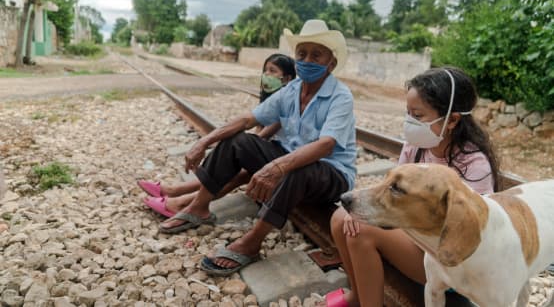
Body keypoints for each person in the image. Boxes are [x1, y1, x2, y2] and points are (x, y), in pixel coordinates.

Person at [158, 19, 357, 276]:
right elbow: (247, 120)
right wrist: (204, 142)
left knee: (297, 168)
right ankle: (199, 206)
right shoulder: (292, 89)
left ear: (331, 63)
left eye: (316, 54)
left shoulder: (341, 96)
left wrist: (276, 166)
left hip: (332, 173)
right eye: (301, 54)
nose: (307, 60)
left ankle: (251, 243)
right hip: (292, 159)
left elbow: (326, 145)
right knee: (237, 141)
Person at [322, 67, 500, 307]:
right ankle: (357, 295)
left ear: (452, 120)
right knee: (340, 218)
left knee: (361, 232)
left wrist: (372, 217)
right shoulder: (417, 147)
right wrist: (364, 208)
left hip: (449, 261)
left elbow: (467, 236)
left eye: (418, 115)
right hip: (417, 239)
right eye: (408, 113)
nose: (409, 122)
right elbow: (393, 191)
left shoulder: (473, 165)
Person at [138, 53, 296, 217]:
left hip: (284, 162)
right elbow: (255, 130)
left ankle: (182, 198)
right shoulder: (273, 99)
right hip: (273, 155)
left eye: (273, 71)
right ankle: (178, 193)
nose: (267, 75)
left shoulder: (289, 100)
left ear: (287, 78)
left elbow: (261, 136)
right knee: (233, 158)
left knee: (239, 166)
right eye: (265, 70)